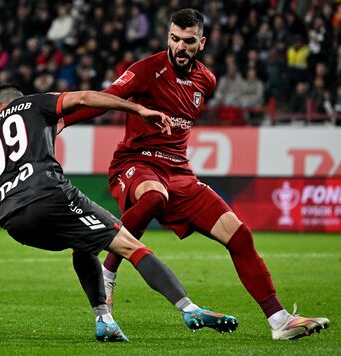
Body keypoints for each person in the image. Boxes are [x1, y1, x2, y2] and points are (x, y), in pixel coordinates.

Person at [62, 8, 329, 340]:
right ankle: (108, 274)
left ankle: (279, 321)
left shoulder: (207, 80)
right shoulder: (146, 70)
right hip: (136, 162)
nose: (180, 47)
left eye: (188, 41)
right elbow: (105, 99)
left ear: (201, 43)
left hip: (179, 171)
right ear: (168, 38)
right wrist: (62, 120)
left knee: (239, 234)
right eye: (174, 39)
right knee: (154, 196)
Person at [0, 83, 238, 342]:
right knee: (130, 244)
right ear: (21, 99)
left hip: (14, 220)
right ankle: (189, 308)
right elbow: (85, 98)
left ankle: (104, 320)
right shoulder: (35, 104)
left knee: (82, 244)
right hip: (49, 195)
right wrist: (138, 108)